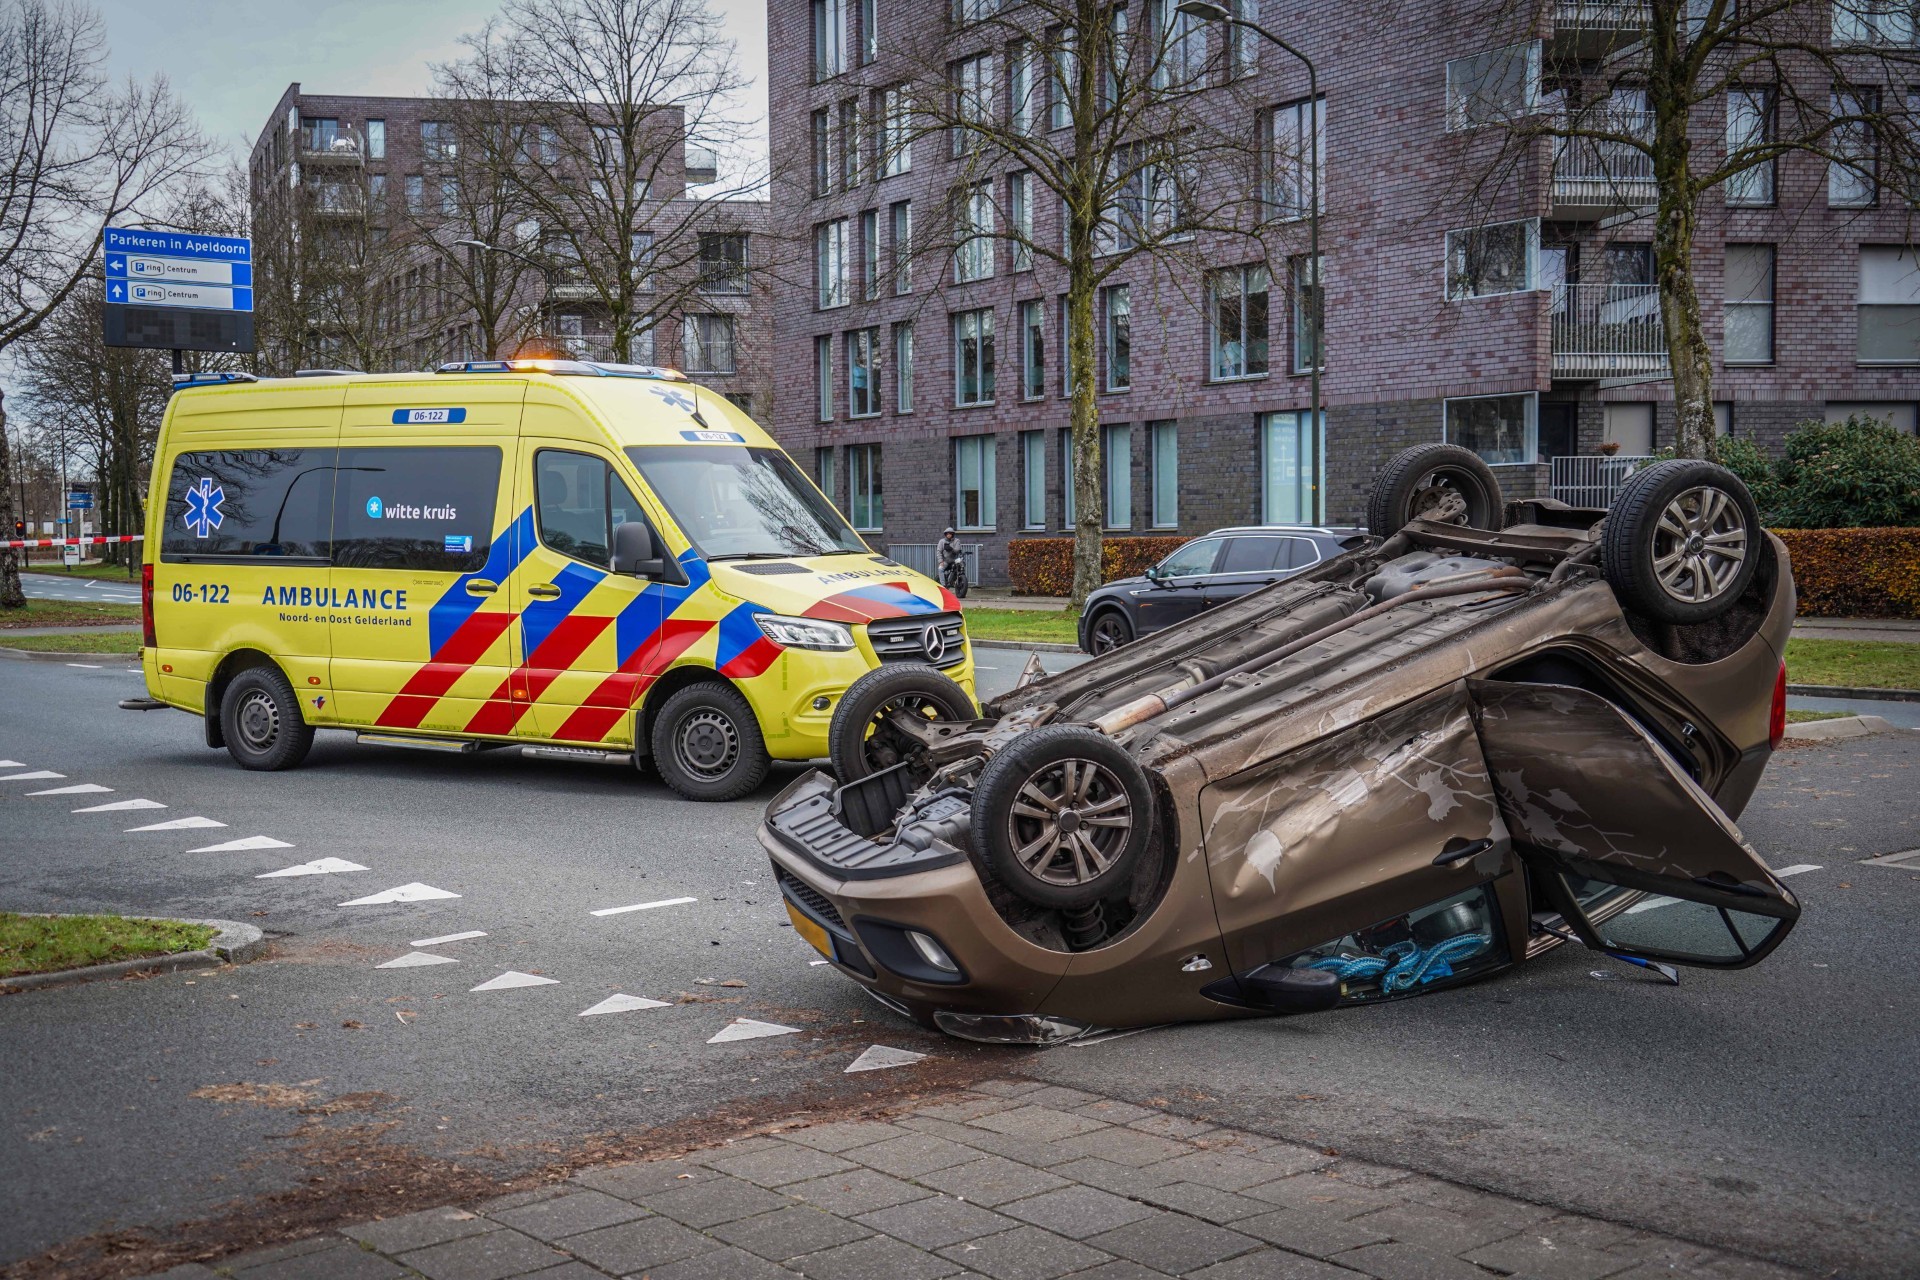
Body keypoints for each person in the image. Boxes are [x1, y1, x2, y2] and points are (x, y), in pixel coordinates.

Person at [937, 527, 967, 596]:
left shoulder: (957, 541)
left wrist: (951, 549)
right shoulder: (942, 541)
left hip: (955, 559)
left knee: (961, 565)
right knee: (940, 569)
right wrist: (940, 561)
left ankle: (959, 580)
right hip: (946, 560)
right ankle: (943, 585)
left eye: (950, 533)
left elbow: (957, 549)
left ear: (953, 534)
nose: (949, 535)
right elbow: (939, 552)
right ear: (945, 534)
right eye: (947, 534)